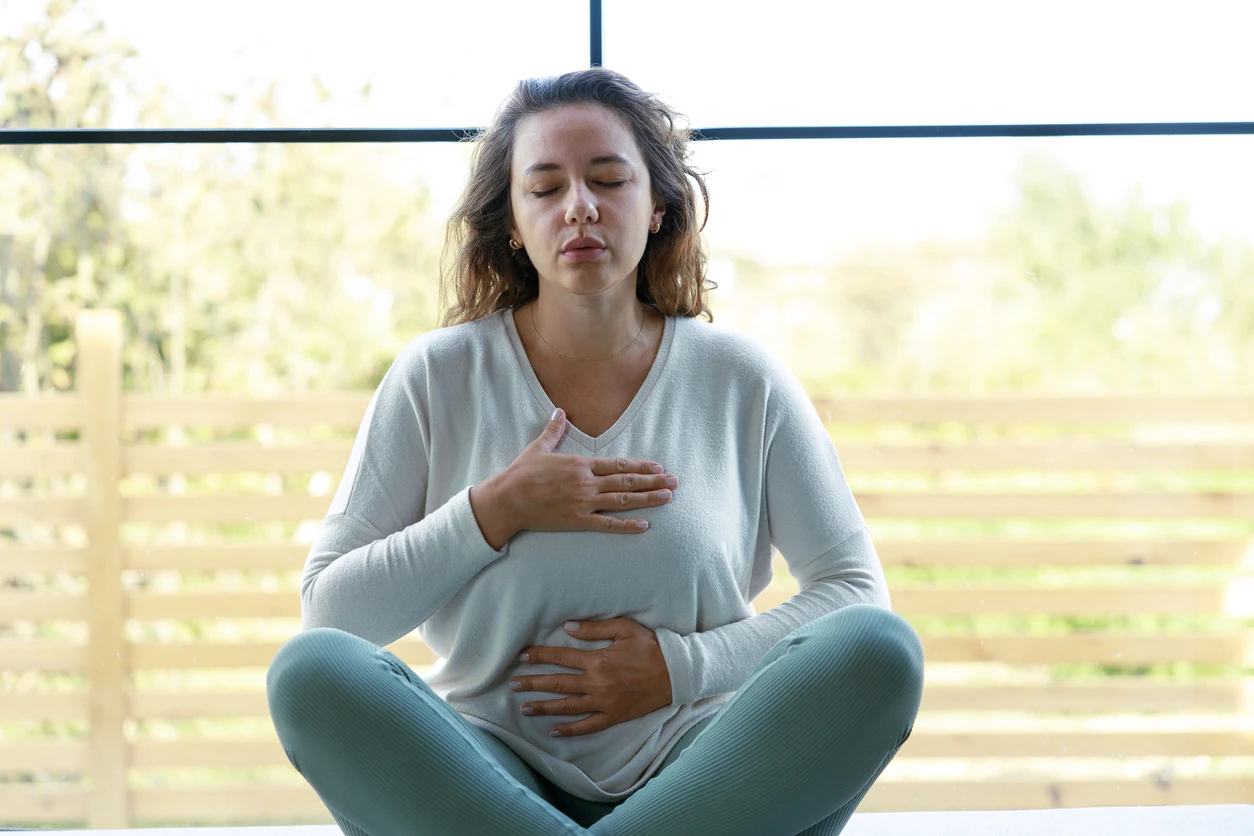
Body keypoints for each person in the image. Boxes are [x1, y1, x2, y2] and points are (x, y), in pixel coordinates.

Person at [266, 67, 924, 836]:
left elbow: (853, 593)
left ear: (656, 208)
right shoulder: (437, 376)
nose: (579, 206)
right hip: (483, 771)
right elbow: (332, 616)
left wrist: (680, 669)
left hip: (704, 766)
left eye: (609, 179)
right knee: (308, 674)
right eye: (544, 189)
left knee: (881, 652)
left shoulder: (740, 379)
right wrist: (494, 510)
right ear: (512, 221)